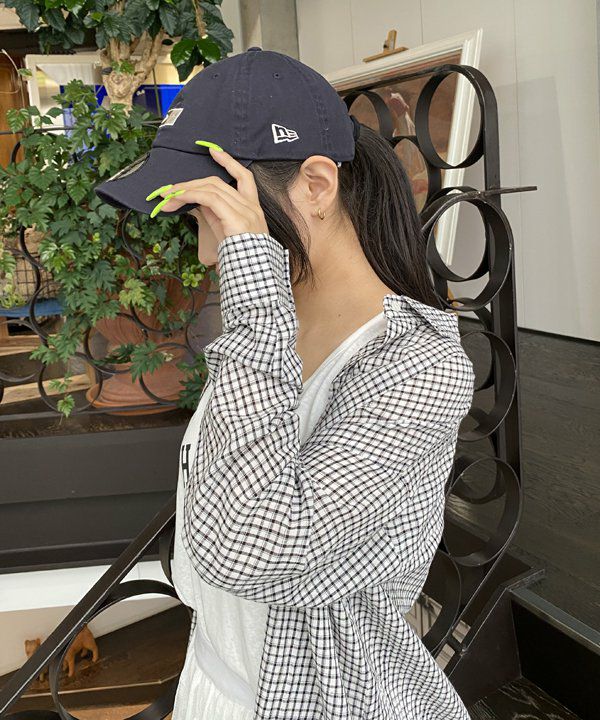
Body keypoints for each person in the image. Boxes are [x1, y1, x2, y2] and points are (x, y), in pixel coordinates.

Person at [96, 47, 475, 720]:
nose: (207, 251)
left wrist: (252, 285)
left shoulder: (417, 363)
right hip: (214, 675)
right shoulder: (272, 320)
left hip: (318, 699)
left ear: (317, 186)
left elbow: (250, 547)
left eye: (211, 213)